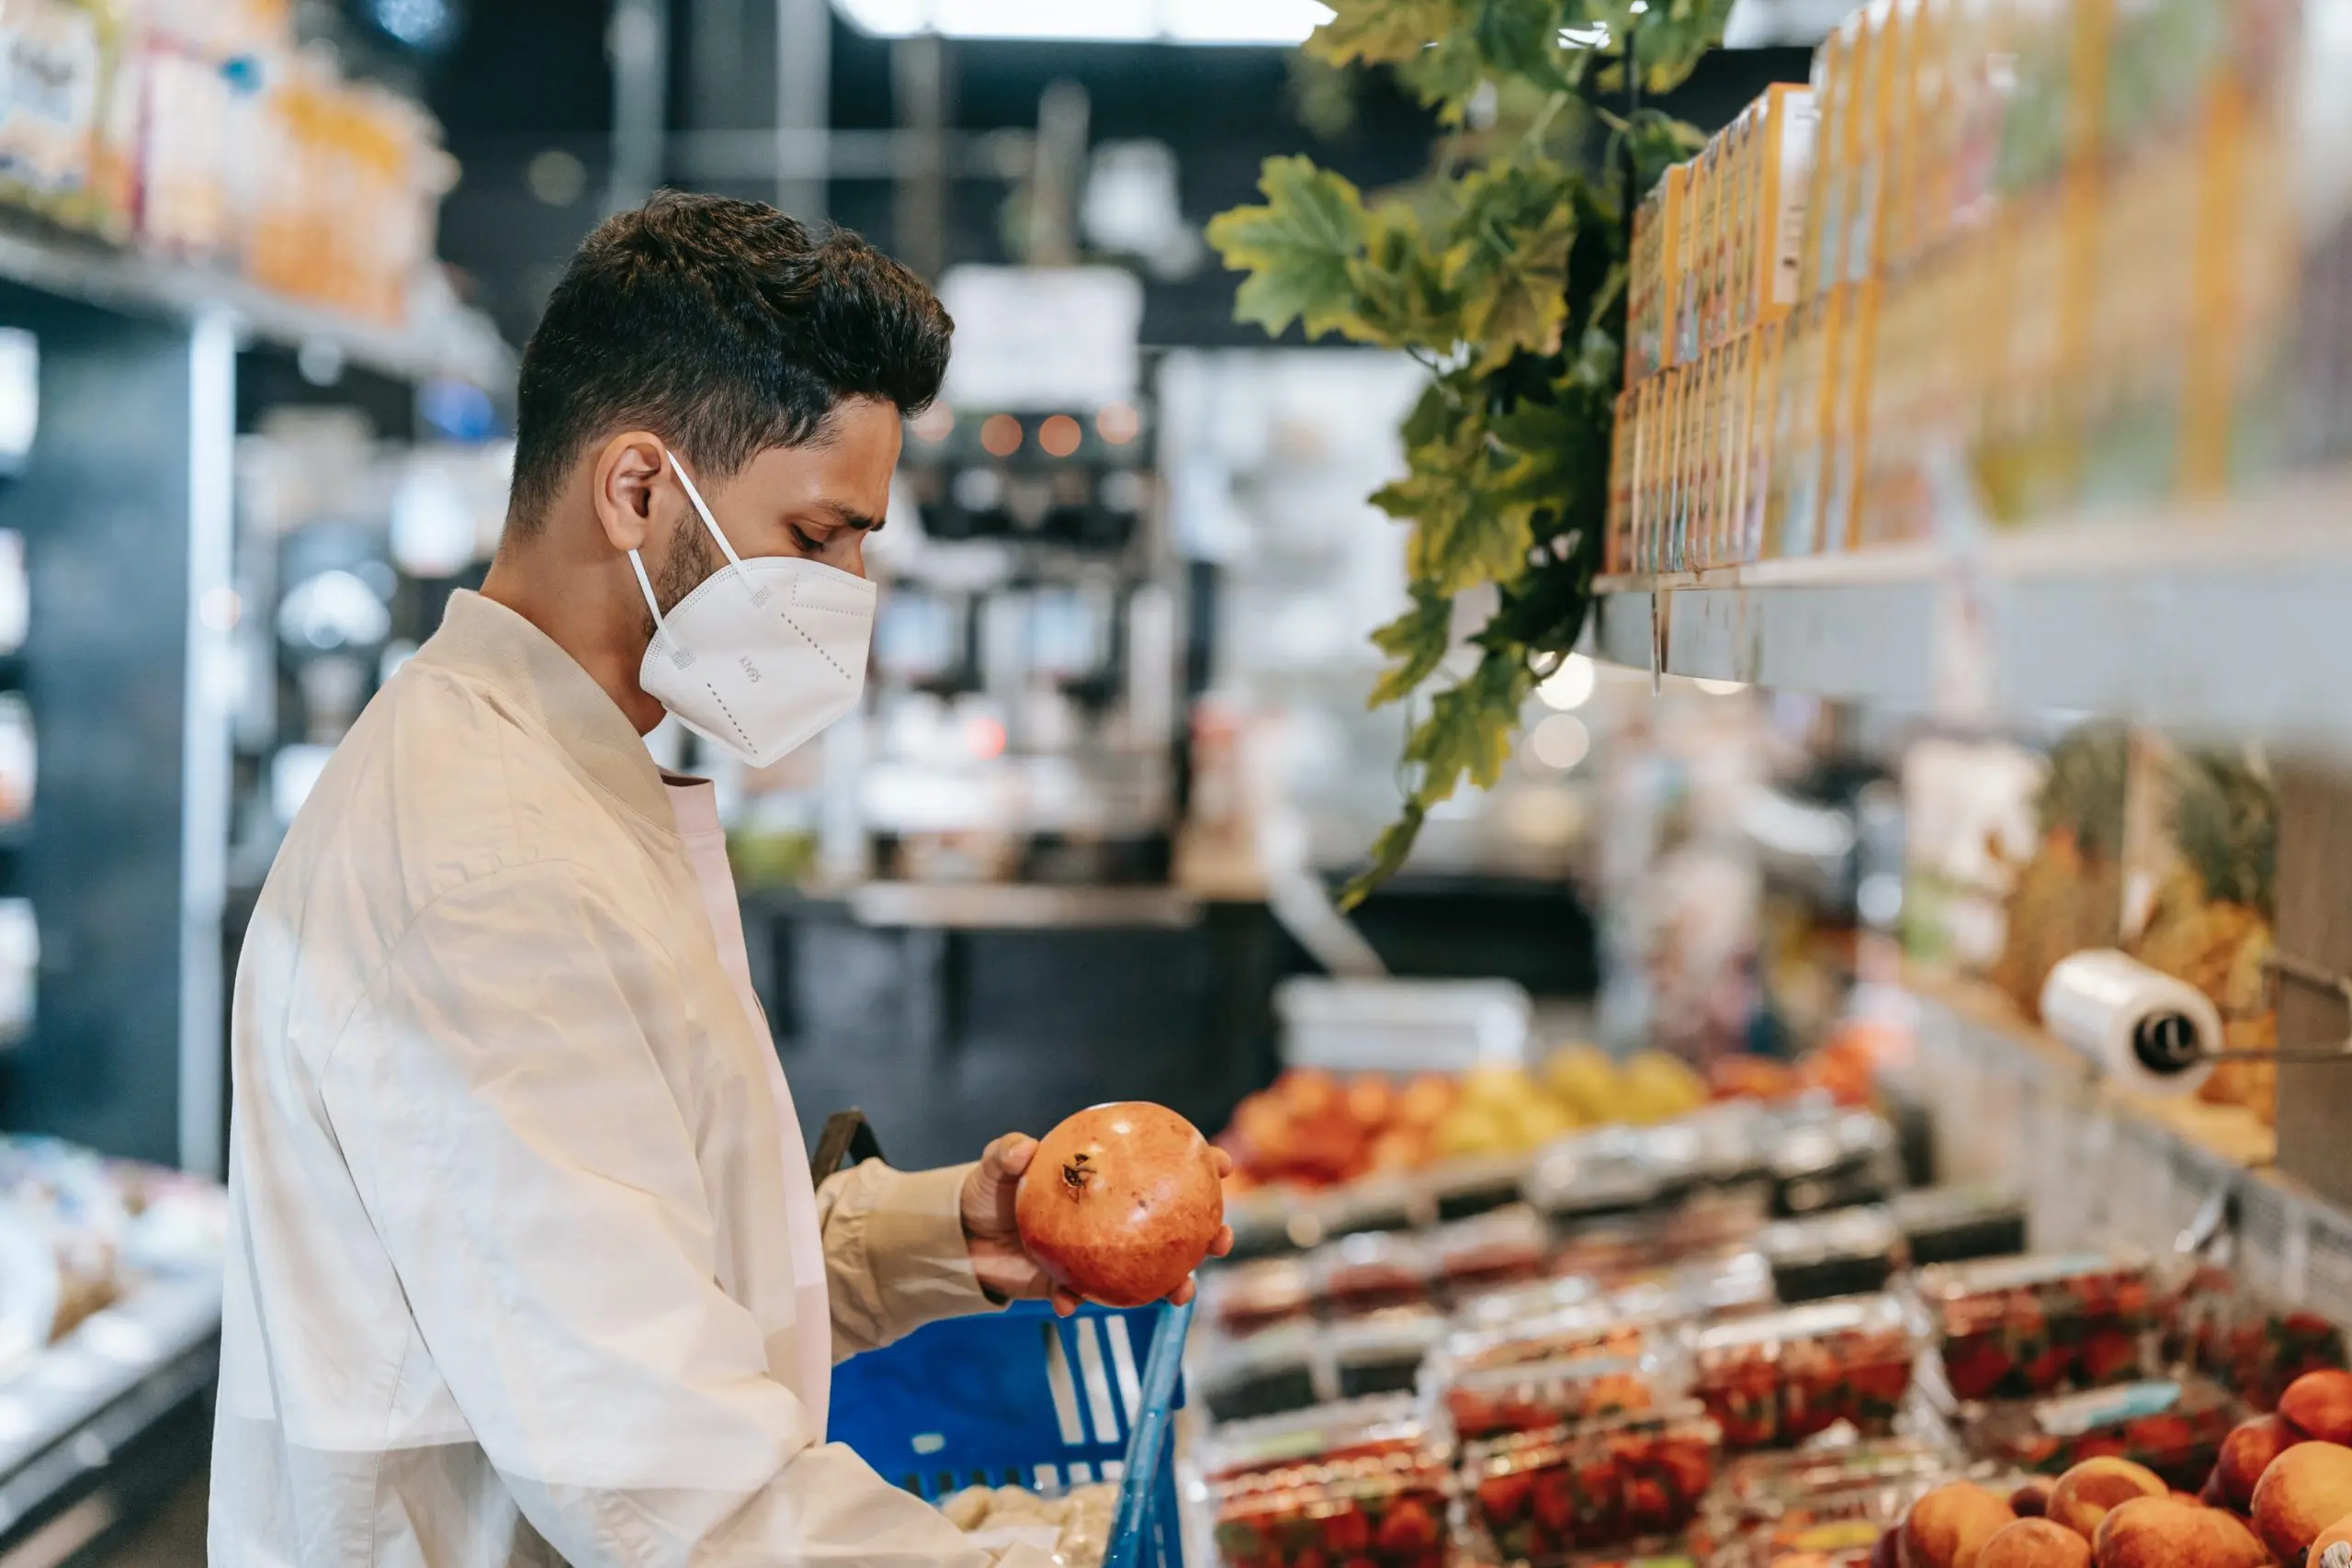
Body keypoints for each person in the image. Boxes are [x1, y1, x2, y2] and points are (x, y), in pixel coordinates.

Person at [211, 192, 1228, 1567]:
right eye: (819, 538)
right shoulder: (483, 866)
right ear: (637, 490)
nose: (854, 589)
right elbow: (667, 1478)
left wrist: (944, 1233)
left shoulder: (568, 772)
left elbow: (642, 1253)